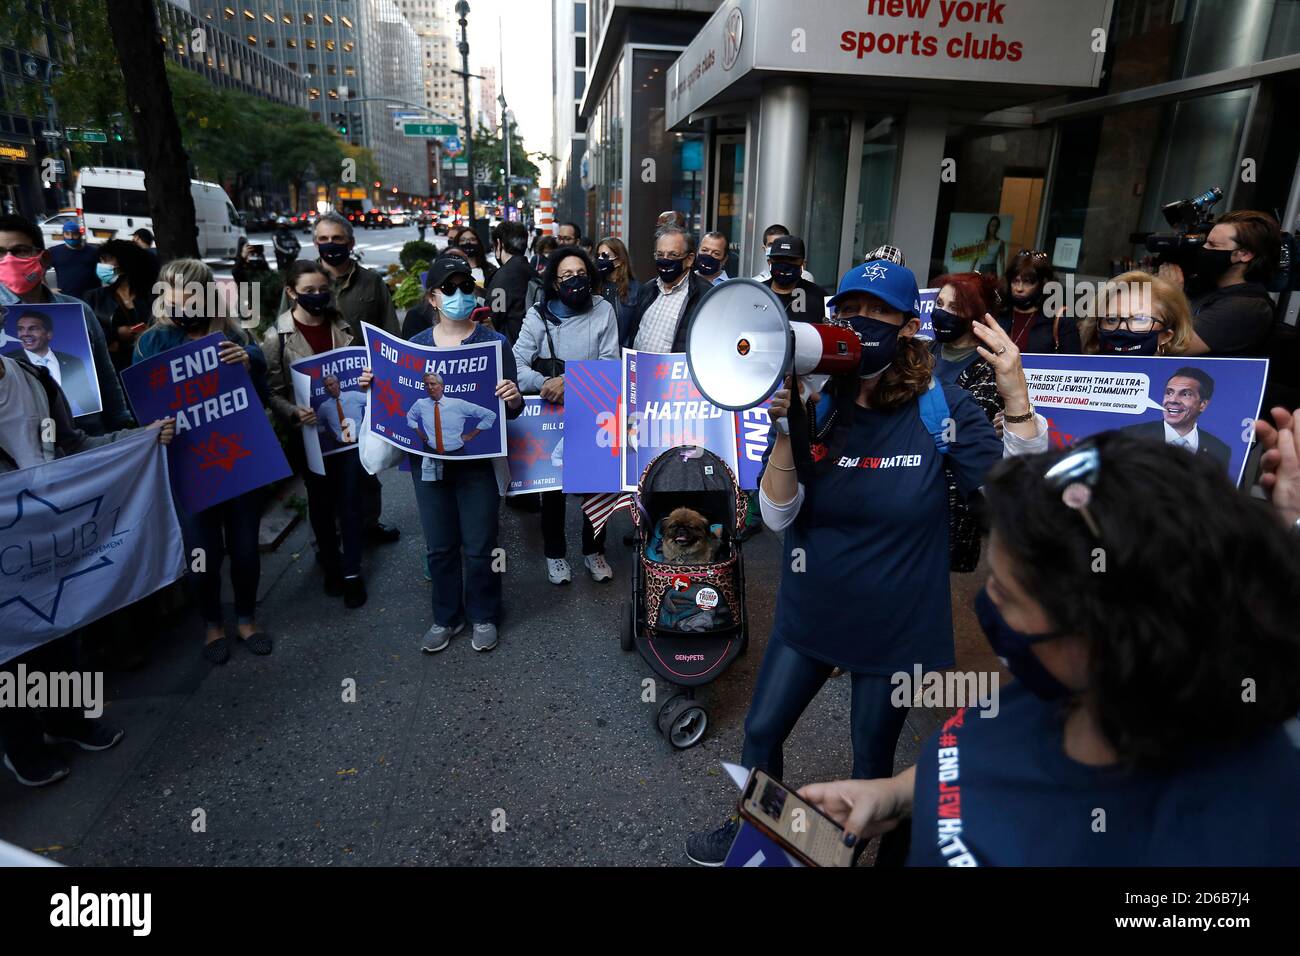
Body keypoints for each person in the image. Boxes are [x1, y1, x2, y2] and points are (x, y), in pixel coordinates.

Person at [686, 259, 1049, 865]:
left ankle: (860, 857)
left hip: (894, 623)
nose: (860, 322)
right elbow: (777, 519)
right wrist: (784, 429)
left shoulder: (941, 405)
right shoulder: (820, 398)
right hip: (812, 612)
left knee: (870, 755)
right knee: (761, 731)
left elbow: (1016, 498)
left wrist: (1016, 397)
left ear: (908, 325)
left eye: (878, 312)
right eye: (850, 309)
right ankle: (766, 832)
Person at [801, 433, 1300, 866]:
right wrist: (898, 795)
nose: (985, 602)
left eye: (1007, 592)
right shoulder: (1053, 687)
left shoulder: (1227, 836)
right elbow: (985, 763)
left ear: (1107, 637)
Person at [0, 353, 174, 786]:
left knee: (63, 623)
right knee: (9, 641)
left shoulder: (30, 374)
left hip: (51, 527)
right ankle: (22, 747)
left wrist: (137, 439)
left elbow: (73, 444)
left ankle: (67, 720)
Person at [360, 255, 524, 653]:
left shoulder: (494, 343)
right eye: (448, 288)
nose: (459, 294)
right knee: (439, 545)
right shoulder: (413, 347)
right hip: (428, 465)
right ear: (432, 298)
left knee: (480, 544)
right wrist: (374, 387)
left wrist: (513, 398)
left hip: (477, 466)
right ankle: (446, 617)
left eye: (466, 286)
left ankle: (483, 614)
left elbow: (510, 408)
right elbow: (398, 406)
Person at [133, 259, 273, 665]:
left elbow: (261, 398)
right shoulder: (152, 343)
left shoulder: (233, 334)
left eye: (188, 295)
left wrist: (249, 362)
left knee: (245, 547)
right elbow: (141, 406)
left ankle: (247, 619)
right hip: (189, 465)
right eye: (170, 295)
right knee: (202, 551)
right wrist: (153, 429)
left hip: (240, 459)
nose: (179, 304)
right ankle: (212, 624)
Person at [278, 211, 400, 544]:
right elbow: (283, 333)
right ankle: (329, 540)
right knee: (322, 473)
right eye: (323, 239)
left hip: (362, 390)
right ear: (315, 242)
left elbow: (389, 332)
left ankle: (368, 525)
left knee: (365, 466)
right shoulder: (302, 283)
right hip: (314, 397)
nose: (330, 245)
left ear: (351, 242)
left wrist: (385, 378)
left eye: (337, 239)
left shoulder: (371, 282)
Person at [265, 261, 370, 608]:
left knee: (352, 501)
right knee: (322, 505)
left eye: (322, 289)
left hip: (349, 434)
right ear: (291, 292)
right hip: (310, 435)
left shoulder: (342, 325)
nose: (317, 296)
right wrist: (293, 412)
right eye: (308, 291)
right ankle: (331, 565)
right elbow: (272, 391)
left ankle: (353, 570)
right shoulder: (277, 335)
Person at [513, 245, 620, 583]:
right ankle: (555, 555)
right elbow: (516, 365)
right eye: (567, 276)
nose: (576, 281)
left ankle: (594, 550)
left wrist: (569, 381)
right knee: (554, 488)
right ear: (555, 284)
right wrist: (545, 382)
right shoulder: (538, 315)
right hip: (549, 412)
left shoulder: (604, 310)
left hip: (592, 408)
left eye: (582, 274)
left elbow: (611, 363)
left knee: (595, 483)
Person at [0, 213, 130, 433]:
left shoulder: (79, 310)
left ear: (44, 258)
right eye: (1, 253)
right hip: (24, 448)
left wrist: (123, 425)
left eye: (20, 251)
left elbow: (105, 377)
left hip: (89, 436)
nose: (9, 260)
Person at [930, 272, 1016, 571]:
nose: (941, 312)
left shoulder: (989, 365)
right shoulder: (925, 351)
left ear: (977, 316)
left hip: (951, 504)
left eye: (955, 308)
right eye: (940, 303)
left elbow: (965, 431)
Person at [1158, 210, 1280, 357]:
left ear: (1245, 254)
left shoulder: (1248, 307)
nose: (1203, 250)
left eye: (1213, 245)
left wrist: (1170, 296)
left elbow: (1168, 347)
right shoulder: (1206, 287)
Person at [624, 224, 713, 352]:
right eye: (660, 255)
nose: (665, 260)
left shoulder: (704, 296)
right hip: (638, 368)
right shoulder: (647, 289)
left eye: (673, 255)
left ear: (689, 259)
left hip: (675, 371)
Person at [1120, 367, 1232, 467]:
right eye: (1169, 392)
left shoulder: (1219, 450)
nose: (1172, 400)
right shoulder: (1131, 435)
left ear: (1203, 405)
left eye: (1186, 394)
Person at [83, 238, 159, 373]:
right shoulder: (93, 298)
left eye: (107, 260)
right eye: (101, 261)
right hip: (113, 370)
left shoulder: (153, 297)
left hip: (151, 367)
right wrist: (115, 334)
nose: (102, 266)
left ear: (125, 263)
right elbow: (84, 335)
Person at [1083, 271, 1194, 357]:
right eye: (1112, 319)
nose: (1122, 328)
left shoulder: (1170, 382)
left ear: (1166, 336)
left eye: (1139, 319)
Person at [7, 309, 95, 413]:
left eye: (33, 328)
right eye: (20, 329)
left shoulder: (72, 361)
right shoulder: (8, 362)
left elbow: (86, 401)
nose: (25, 334)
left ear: (49, 334)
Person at [998, 249, 1080, 354]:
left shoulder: (1061, 322)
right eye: (1015, 281)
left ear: (1042, 284)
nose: (1019, 288)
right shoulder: (999, 315)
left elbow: (1072, 366)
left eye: (1027, 282)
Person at [407, 371, 498, 454]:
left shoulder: (458, 404)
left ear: (442, 387)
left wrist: (471, 435)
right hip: (430, 451)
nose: (429, 387)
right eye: (426, 384)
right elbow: (410, 417)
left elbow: (490, 415)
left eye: (433, 384)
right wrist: (419, 432)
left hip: (455, 453)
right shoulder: (421, 403)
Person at [484, 220, 532, 344]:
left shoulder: (502, 277)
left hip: (510, 347)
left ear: (499, 244)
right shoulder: (532, 271)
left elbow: (492, 317)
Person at [761, 235, 824, 324]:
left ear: (802, 263)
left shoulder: (820, 299)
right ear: (770, 261)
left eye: (791, 259)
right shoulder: (757, 293)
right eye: (778, 259)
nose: (784, 264)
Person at [595, 236, 641, 345]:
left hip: (621, 353)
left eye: (605, 255)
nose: (600, 259)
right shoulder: (593, 286)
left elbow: (635, 328)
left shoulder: (635, 290)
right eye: (598, 256)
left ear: (619, 261)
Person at [47, 220, 102, 299]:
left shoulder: (93, 251)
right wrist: (48, 289)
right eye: (67, 234)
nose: (71, 237)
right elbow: (40, 270)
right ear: (63, 235)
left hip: (92, 298)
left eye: (74, 234)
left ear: (80, 234)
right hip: (67, 298)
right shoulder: (54, 252)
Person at [317, 374, 367, 445]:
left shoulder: (353, 396)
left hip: (362, 442)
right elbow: (316, 425)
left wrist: (367, 423)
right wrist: (328, 433)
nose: (329, 388)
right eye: (326, 387)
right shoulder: (324, 407)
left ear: (338, 384)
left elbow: (373, 400)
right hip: (340, 447)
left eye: (331, 384)